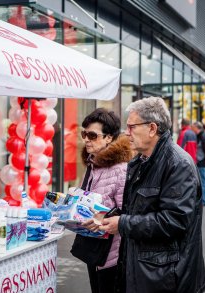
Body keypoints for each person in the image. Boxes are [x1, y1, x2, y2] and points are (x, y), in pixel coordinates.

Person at [100, 97, 205, 293]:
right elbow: (138, 210)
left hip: (167, 277)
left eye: (131, 127)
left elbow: (173, 221)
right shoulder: (140, 161)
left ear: (152, 128)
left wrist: (122, 224)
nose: (126, 132)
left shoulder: (178, 164)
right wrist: (108, 218)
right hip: (147, 271)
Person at [75, 108, 132, 293]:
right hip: (94, 247)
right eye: (84, 133)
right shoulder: (93, 164)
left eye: (92, 135)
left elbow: (128, 214)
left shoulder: (120, 169)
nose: (86, 139)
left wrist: (102, 219)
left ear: (109, 138)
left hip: (112, 255)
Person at [192, 121, 205, 206]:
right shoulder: (200, 136)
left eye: (193, 127)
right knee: (201, 181)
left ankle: (203, 200)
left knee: (203, 181)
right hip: (200, 161)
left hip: (201, 161)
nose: (191, 129)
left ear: (197, 128)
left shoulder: (203, 136)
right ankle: (202, 199)